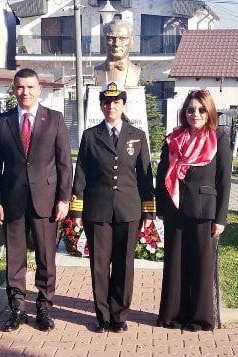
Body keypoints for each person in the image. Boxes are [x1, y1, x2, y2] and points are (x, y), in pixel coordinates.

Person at [0, 68, 72, 332]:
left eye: (30, 87)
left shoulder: (55, 119)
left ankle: (44, 307)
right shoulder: (2, 121)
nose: (25, 92)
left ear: (39, 89)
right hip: (12, 200)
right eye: (20, 87)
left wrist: (64, 199)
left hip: (46, 201)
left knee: (46, 256)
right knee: (15, 257)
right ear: (14, 89)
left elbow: (64, 163)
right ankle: (17, 308)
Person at [70, 81, 155, 333]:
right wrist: (77, 210)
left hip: (129, 210)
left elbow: (145, 176)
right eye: (107, 102)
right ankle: (103, 316)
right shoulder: (90, 136)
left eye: (116, 102)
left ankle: (119, 315)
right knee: (99, 264)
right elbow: (81, 174)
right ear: (101, 106)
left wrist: (148, 210)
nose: (111, 106)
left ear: (123, 105)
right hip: (97, 210)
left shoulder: (137, 136)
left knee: (124, 264)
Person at [156, 89, 232, 332]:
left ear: (209, 112)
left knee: (201, 265)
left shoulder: (218, 138)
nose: (195, 114)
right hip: (175, 209)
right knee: (175, 264)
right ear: (184, 112)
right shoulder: (173, 138)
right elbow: (161, 173)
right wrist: (160, 207)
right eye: (190, 109)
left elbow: (224, 180)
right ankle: (174, 315)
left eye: (201, 109)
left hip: (204, 211)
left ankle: (200, 318)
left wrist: (220, 218)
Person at [94, 19, 141, 87]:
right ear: (104, 40)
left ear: (132, 41)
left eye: (123, 38)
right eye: (111, 38)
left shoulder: (137, 71)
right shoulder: (95, 71)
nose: (116, 44)